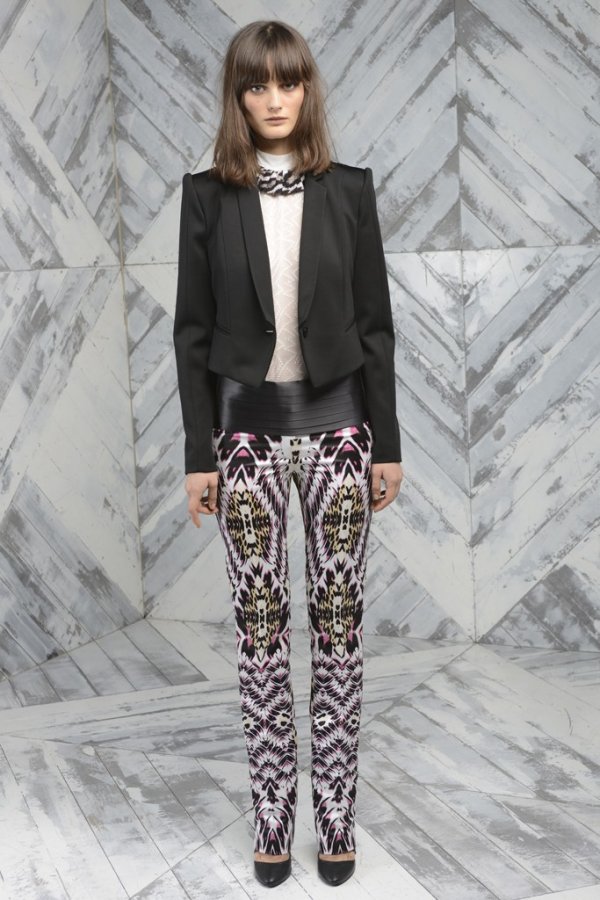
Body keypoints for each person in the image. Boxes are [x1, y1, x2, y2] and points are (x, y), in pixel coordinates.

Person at [173, 20, 403, 888]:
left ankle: (336, 813)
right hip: (245, 439)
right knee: (261, 632)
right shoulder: (206, 196)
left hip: (342, 433)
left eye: (289, 82)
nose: (274, 100)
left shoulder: (350, 190)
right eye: (257, 85)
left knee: (337, 631)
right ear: (237, 96)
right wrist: (200, 454)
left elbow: (376, 326)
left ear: (307, 90)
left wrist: (386, 443)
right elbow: (191, 333)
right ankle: (273, 811)